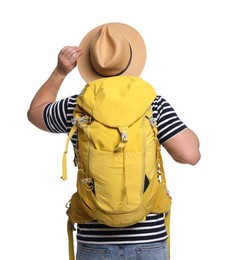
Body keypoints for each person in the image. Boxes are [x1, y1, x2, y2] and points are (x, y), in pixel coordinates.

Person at [27, 22, 200, 260]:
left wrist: (59, 72)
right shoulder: (153, 104)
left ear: (90, 64)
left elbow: (35, 112)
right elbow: (190, 155)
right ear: (131, 60)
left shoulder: (76, 107)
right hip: (148, 240)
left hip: (95, 243)